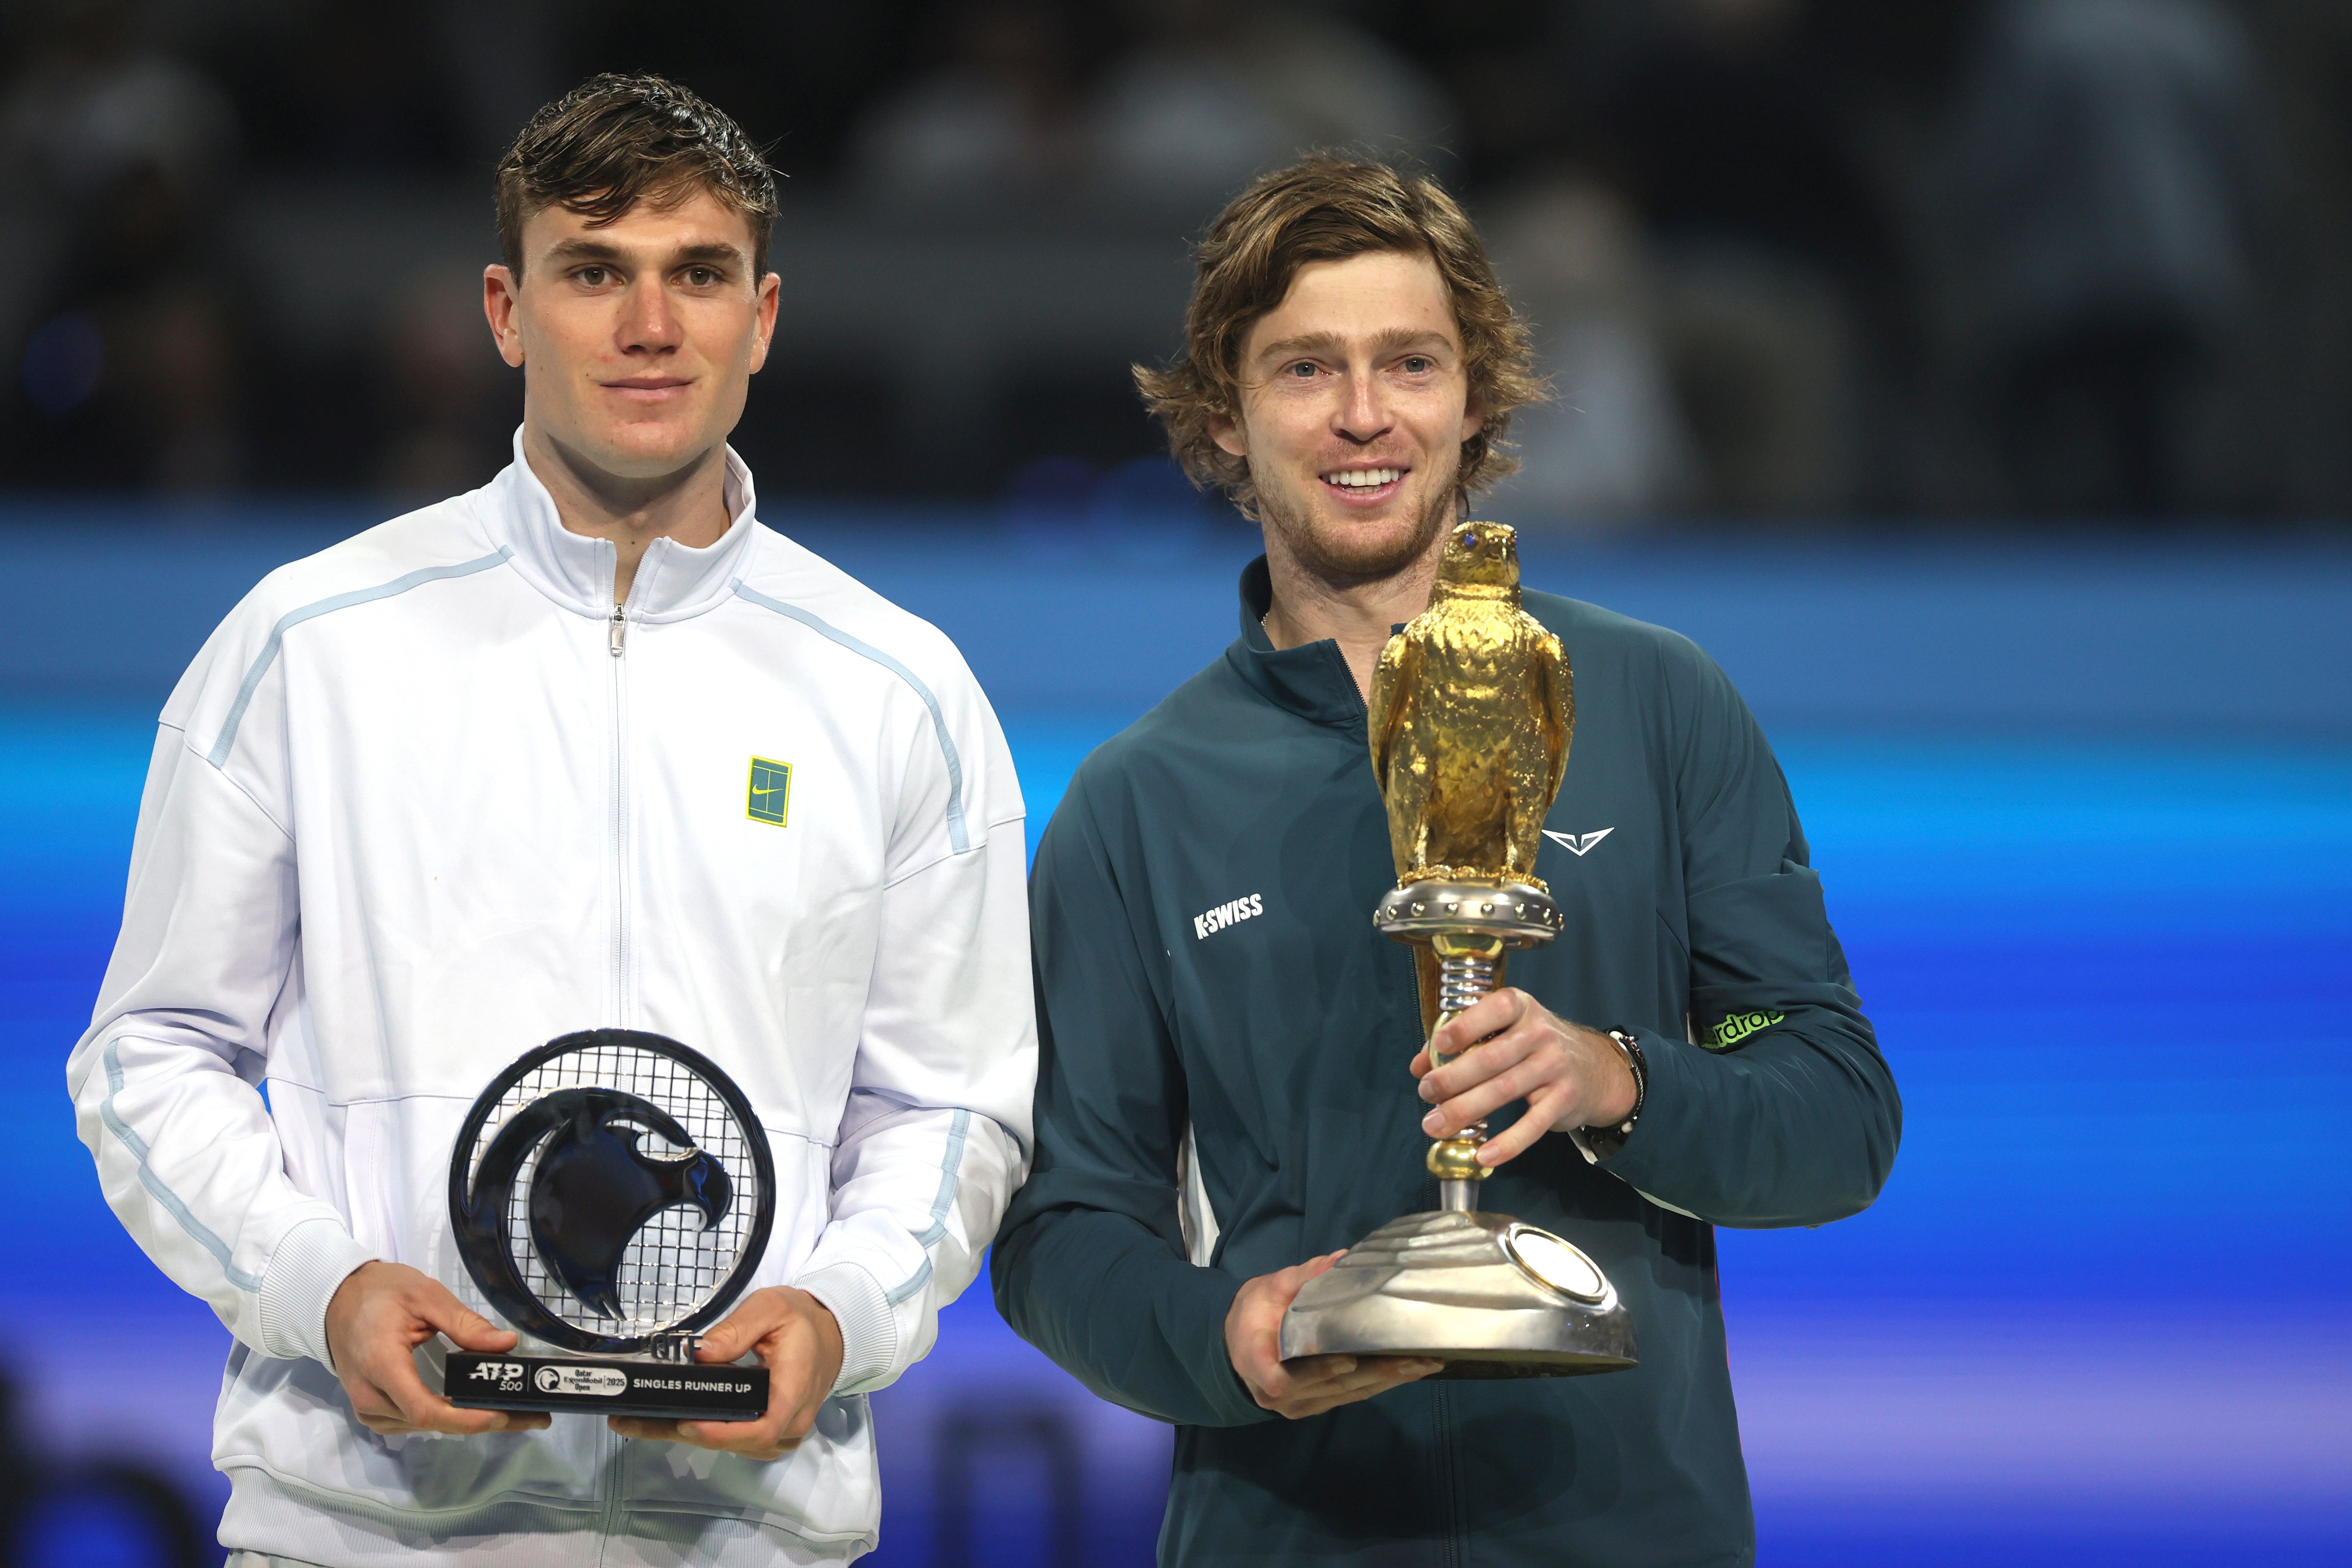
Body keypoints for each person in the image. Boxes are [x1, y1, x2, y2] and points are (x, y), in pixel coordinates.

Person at [65, 74, 1035, 1567]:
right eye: (597, 273)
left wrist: (841, 1316)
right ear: (508, 313)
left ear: (761, 317)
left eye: (698, 274)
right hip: (361, 1529)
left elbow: (949, 1106)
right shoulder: (309, 644)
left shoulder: (901, 692)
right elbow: (150, 1052)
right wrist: (319, 1285)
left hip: (746, 1534)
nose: (652, 326)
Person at [991, 156, 1899, 1565]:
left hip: (1633, 1531)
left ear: (1475, 396)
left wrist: (1622, 1080)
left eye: (1409, 362)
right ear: (1225, 419)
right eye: (1306, 369)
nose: (1365, 415)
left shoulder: (1657, 703)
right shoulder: (1136, 802)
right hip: (1291, 1527)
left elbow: (1833, 1110)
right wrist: (1220, 1338)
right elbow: (1065, 1227)